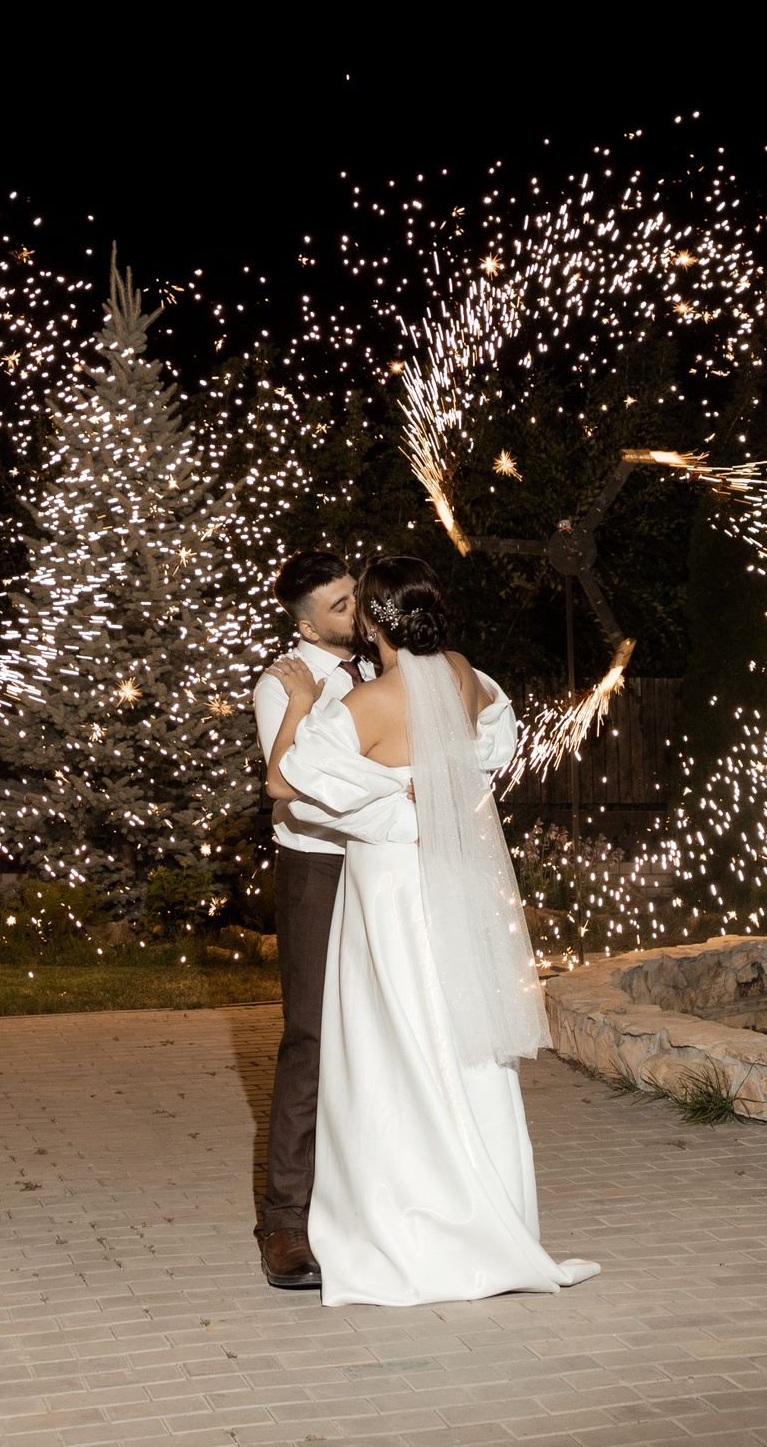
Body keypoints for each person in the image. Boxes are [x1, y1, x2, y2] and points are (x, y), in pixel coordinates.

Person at [266, 555, 600, 1307]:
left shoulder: (370, 703)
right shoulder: (462, 671)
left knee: (388, 1045)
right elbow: (495, 744)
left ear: (377, 623)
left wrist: (302, 704)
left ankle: (406, 1223)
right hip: (451, 880)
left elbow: (285, 781)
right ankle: (490, 1211)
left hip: (386, 888)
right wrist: (431, 787)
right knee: (456, 1031)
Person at [248, 550, 377, 1288]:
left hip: (378, 869)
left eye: (355, 594)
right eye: (338, 604)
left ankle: (359, 1205)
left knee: (373, 1032)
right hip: (319, 870)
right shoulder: (282, 682)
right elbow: (290, 787)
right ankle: (284, 1222)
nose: (355, 609)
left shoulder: (376, 668)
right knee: (311, 1036)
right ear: (303, 621)